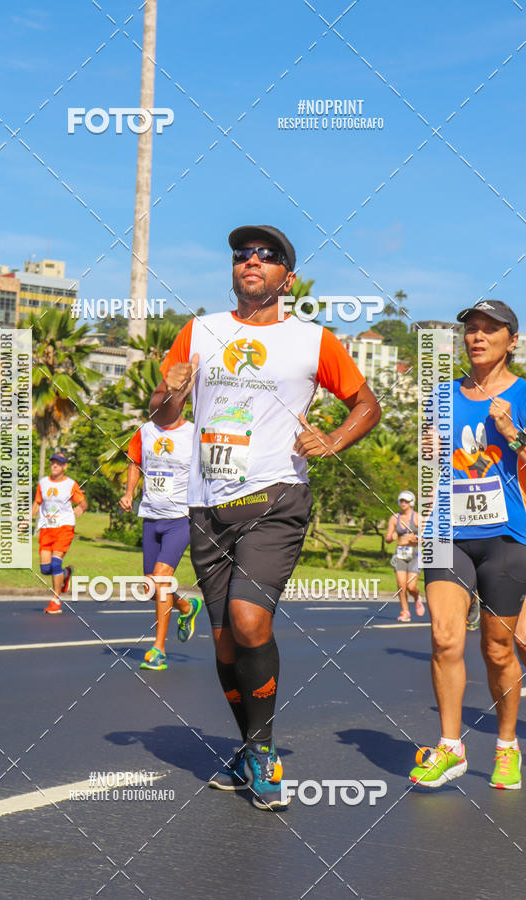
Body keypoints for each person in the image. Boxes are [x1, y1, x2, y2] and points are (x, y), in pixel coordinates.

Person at [150, 224, 381, 809]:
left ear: (288, 276)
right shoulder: (199, 331)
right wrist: (172, 393)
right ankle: (251, 747)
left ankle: (265, 753)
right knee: (226, 646)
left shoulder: (313, 341)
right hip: (206, 504)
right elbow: (161, 412)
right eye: (242, 254)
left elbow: (366, 405)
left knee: (251, 624)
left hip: (274, 499)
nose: (252, 261)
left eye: (268, 255)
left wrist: (335, 441)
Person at [410, 300, 526, 790]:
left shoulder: (522, 394)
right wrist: (430, 456)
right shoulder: (440, 395)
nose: (477, 337)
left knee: (498, 649)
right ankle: (450, 747)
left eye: (489, 330)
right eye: (471, 330)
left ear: (511, 342)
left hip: (506, 535)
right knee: (443, 637)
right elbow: (432, 468)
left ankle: (505, 746)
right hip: (445, 532)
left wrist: (513, 435)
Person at [119, 415, 202, 671]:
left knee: (161, 579)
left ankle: (159, 650)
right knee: (151, 587)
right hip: (151, 516)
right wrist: (129, 492)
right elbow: (135, 462)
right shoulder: (145, 431)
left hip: (180, 518)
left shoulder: (194, 432)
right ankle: (187, 606)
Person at [31, 452, 87, 614]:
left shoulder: (70, 484)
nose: (54, 466)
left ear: (64, 467)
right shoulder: (43, 483)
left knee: (55, 564)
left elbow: (83, 503)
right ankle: (65, 574)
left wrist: (80, 508)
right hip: (47, 528)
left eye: (58, 463)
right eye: (53, 462)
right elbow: (37, 502)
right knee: (45, 569)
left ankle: (55, 600)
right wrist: (27, 519)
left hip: (64, 527)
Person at [385, 490, 424, 622]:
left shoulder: (418, 517)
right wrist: (392, 537)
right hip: (400, 553)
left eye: (406, 501)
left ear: (411, 503)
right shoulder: (394, 518)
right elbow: (388, 538)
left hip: (415, 554)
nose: (403, 503)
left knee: (411, 586)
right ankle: (405, 611)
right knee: (401, 585)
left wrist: (417, 539)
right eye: (401, 501)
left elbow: (426, 537)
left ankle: (417, 597)